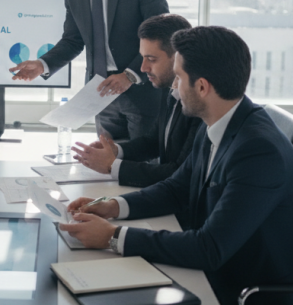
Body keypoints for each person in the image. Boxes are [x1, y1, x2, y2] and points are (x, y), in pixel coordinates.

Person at [60, 26, 293, 305]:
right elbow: (176, 188)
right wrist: (113, 205)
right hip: (220, 274)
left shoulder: (258, 150)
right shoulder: (220, 123)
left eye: (179, 77)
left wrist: (111, 236)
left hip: (249, 302)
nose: (173, 87)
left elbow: (209, 248)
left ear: (202, 86)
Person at [10, 0, 169, 141]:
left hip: (142, 91)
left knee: (142, 169)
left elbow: (163, 33)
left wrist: (131, 75)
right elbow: (73, 40)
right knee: (105, 168)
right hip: (99, 94)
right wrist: (43, 64)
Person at [71, 14, 201, 187]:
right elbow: (153, 142)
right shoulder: (169, 89)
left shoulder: (199, 104)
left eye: (151, 59)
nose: (143, 68)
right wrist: (116, 151)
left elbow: (179, 173)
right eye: (143, 58)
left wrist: (113, 166)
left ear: (178, 56)